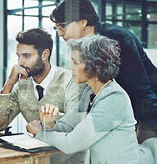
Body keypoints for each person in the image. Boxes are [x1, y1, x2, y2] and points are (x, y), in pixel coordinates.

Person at [27, 35, 156, 164]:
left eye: (75, 62)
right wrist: (50, 124)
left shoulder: (114, 99)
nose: (70, 67)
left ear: (95, 66)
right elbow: (68, 125)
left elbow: (71, 143)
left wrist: (41, 133)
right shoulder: (90, 93)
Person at [49, 0, 157, 143]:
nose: (60, 32)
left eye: (63, 25)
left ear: (83, 22)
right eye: (57, 27)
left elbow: (140, 87)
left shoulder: (117, 38)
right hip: (122, 106)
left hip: (147, 104)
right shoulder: (81, 46)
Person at [0, 28, 86, 164]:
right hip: (34, 158)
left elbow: (75, 130)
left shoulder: (71, 81)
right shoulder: (22, 84)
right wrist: (9, 84)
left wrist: (45, 126)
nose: (20, 62)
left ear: (45, 54)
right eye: (18, 56)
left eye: (26, 56)